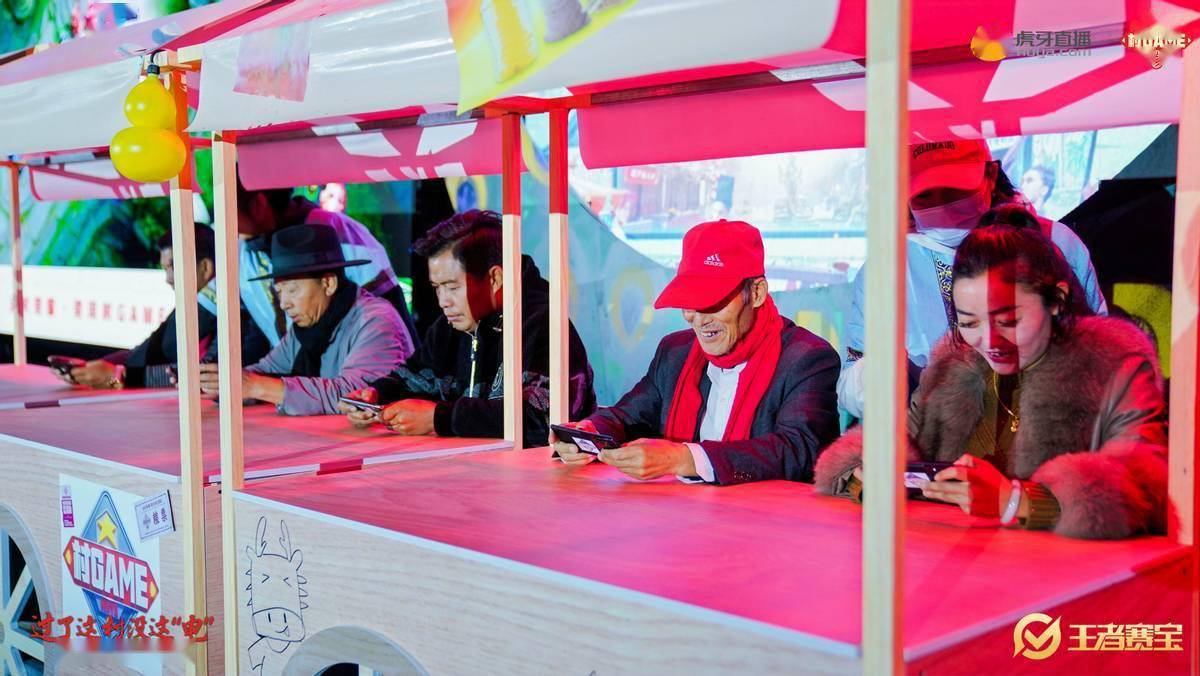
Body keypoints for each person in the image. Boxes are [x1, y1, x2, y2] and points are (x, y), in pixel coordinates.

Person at [816, 205, 1167, 540]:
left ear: (1057, 301)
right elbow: (900, 445)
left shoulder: (1114, 369)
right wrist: (867, 477)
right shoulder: (951, 366)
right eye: (969, 323)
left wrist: (1017, 502)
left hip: (1071, 576)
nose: (989, 341)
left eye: (1008, 321)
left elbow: (1143, 490)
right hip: (956, 566)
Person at [552, 219, 840, 485]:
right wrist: (586, 434)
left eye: (713, 301)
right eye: (689, 302)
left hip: (767, 520)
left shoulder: (807, 359)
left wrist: (684, 459)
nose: (699, 319)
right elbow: (626, 417)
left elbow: (800, 452)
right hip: (679, 517)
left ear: (756, 293)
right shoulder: (675, 352)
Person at [838, 140, 1107, 418]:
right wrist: (882, 374)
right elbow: (851, 387)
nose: (943, 206)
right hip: (938, 432)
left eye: (955, 190)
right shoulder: (886, 269)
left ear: (991, 175)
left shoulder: (1055, 242)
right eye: (925, 195)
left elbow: (1098, 349)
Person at [339, 210, 597, 447]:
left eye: (452, 287)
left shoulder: (542, 325)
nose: (443, 301)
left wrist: (439, 418)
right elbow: (415, 377)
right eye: (437, 288)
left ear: (495, 278)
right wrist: (376, 395)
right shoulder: (447, 328)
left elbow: (543, 419)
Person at [198, 223, 413, 415]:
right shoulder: (304, 328)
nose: (284, 303)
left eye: (292, 290)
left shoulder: (375, 321)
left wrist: (253, 386)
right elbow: (267, 371)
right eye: (279, 292)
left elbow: (354, 395)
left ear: (328, 284)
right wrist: (218, 382)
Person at [199, 179, 419, 349]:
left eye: (227, 209)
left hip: (358, 373)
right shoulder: (241, 250)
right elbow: (204, 314)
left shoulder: (341, 233)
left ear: (258, 204)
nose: (223, 221)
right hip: (298, 379)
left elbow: (391, 312)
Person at [55, 224, 270, 389]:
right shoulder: (195, 308)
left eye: (174, 268)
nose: (168, 279)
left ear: (205, 267)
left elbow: (206, 375)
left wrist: (119, 377)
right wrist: (90, 368)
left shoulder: (239, 313)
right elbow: (147, 351)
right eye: (165, 269)